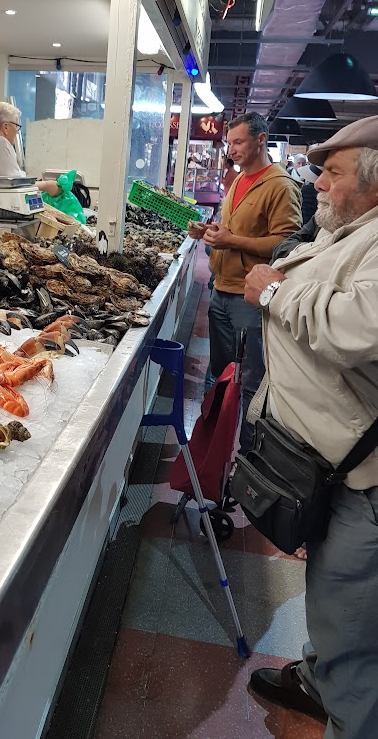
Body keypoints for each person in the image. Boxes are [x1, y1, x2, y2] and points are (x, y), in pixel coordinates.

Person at [243, 115, 378, 737]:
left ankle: (345, 705)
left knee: (353, 626)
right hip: (330, 466)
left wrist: (274, 293)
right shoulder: (346, 232)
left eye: (333, 171)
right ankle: (317, 676)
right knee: (332, 598)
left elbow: (355, 328)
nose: (317, 182)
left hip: (365, 482)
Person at [188, 111, 301, 453]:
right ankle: (210, 449)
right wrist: (209, 232)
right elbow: (233, 230)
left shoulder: (280, 185)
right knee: (218, 374)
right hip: (221, 290)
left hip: (250, 299)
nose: (231, 149)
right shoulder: (237, 181)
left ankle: (249, 458)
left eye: (238, 142)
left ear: (260, 140)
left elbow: (288, 244)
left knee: (251, 381)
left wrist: (231, 242)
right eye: (229, 142)